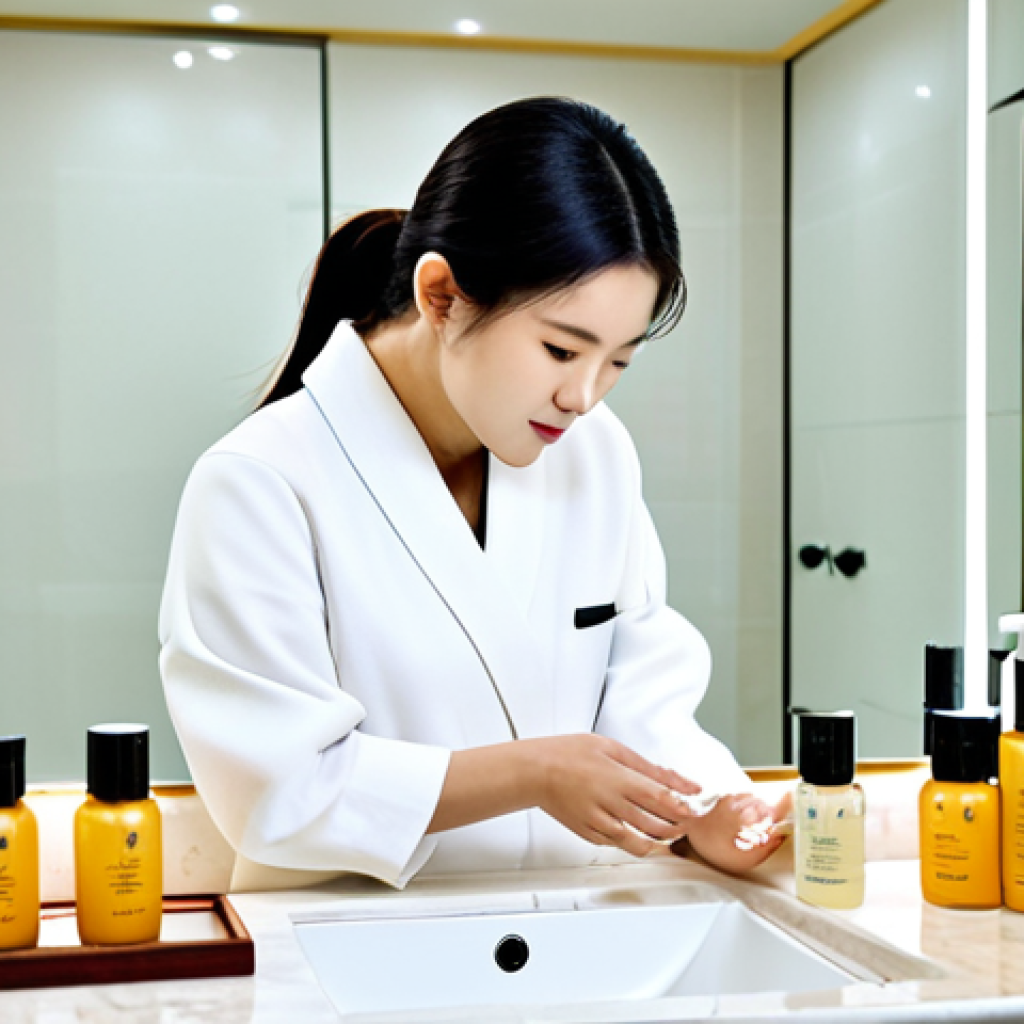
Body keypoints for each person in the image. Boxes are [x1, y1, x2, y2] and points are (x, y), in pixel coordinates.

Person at [159, 97, 788, 891]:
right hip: (346, 956)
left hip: (575, 933)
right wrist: (531, 773)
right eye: (562, 349)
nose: (584, 396)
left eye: (619, 360)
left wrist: (706, 812)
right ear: (443, 296)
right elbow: (276, 789)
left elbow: (642, 686)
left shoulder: (596, 453)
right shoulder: (259, 481)